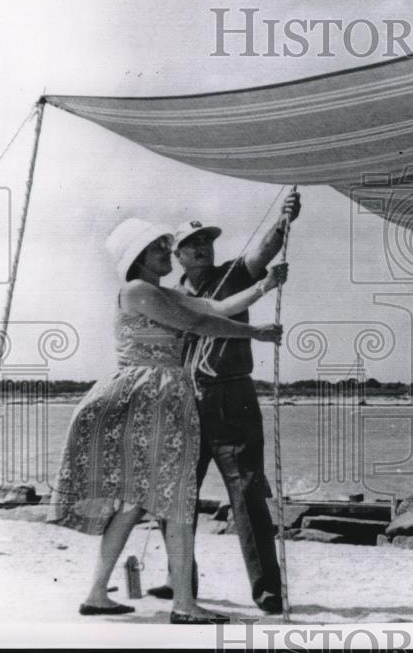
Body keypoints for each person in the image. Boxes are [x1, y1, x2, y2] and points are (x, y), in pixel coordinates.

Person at [47, 217, 283, 625]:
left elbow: (217, 306)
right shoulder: (138, 290)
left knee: (139, 499)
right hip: (150, 398)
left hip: (160, 398)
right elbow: (199, 323)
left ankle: (98, 593)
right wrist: (256, 334)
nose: (166, 252)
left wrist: (265, 285)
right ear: (139, 257)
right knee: (171, 499)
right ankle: (184, 604)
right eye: (159, 247)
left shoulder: (157, 292)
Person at [146, 193, 300, 615]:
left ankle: (268, 592)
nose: (205, 247)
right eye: (194, 243)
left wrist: (284, 220)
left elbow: (263, 251)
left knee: (247, 492)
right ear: (177, 254)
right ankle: (181, 581)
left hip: (233, 395)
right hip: (184, 401)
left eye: (208, 240)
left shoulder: (232, 274)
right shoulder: (167, 295)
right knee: (173, 493)